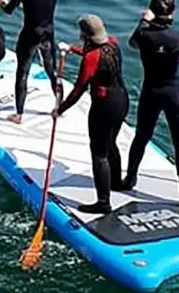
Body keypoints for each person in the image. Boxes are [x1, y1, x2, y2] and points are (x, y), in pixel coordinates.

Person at [118, 0, 179, 209]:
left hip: (151, 92)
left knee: (141, 137)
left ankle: (130, 179)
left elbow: (132, 42)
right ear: (173, 12)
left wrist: (143, 21)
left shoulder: (144, 36)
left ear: (151, 11)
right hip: (174, 94)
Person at [52, 15, 129, 214]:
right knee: (110, 143)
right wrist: (71, 49)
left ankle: (103, 202)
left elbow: (79, 89)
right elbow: (94, 53)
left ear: (84, 34)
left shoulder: (90, 58)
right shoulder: (113, 43)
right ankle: (117, 183)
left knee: (99, 154)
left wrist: (59, 109)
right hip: (121, 101)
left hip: (103, 107)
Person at [0, 0, 60, 124]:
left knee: (22, 72)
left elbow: (10, 10)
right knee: (51, 70)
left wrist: (4, 2)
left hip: (30, 33)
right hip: (48, 31)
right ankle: (59, 105)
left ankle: (18, 114)